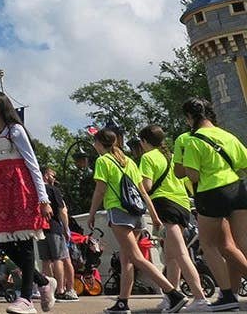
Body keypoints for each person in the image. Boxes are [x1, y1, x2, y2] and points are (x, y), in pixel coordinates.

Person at [87, 127, 186, 313]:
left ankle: (173, 293)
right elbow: (142, 191)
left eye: (95, 142)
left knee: (136, 257)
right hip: (136, 213)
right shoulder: (129, 161)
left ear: (100, 144)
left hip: (118, 212)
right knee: (127, 260)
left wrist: (92, 213)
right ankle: (122, 302)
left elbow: (100, 190)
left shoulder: (103, 161)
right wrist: (154, 216)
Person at [0, 91, 55, 314]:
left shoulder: (15, 131)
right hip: (1, 192)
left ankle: (26, 298)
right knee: (3, 243)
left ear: (1, 105)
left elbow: (32, 163)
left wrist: (43, 198)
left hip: (20, 188)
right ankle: (43, 281)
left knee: (23, 242)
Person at [173, 97, 247, 311]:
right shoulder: (227, 136)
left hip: (211, 193)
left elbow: (193, 176)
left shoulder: (193, 140)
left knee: (209, 245)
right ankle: (231, 292)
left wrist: (188, 165)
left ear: (189, 117)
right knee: (242, 241)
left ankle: (226, 296)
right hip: (237, 189)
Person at [137, 125, 207, 309]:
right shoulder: (173, 157)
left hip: (165, 205)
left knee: (181, 253)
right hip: (183, 204)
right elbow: (186, 181)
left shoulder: (147, 157)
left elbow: (147, 185)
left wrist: (137, 185)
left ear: (144, 141)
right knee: (171, 255)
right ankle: (172, 295)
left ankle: (200, 297)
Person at [36, 167, 75, 303]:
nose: (54, 178)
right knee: (58, 258)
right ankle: (60, 290)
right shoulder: (53, 190)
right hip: (54, 227)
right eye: (52, 175)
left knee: (45, 260)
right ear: (46, 175)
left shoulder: (35, 190)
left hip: (40, 229)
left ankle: (47, 290)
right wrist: (66, 228)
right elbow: (62, 211)